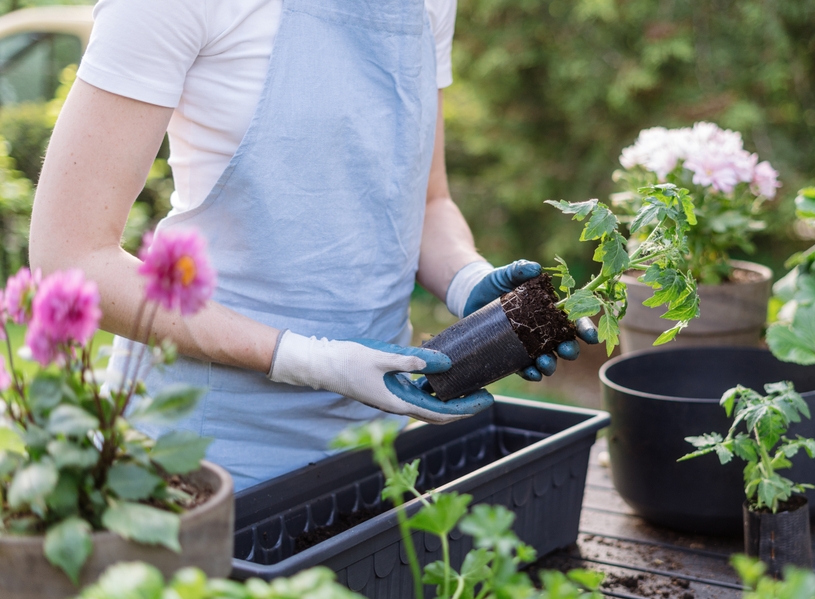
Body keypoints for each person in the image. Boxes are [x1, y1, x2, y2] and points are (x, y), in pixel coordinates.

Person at [28, 0, 595, 491]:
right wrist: (308, 359)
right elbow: (72, 256)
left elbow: (421, 201)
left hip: (373, 439)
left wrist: (467, 278)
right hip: (203, 452)